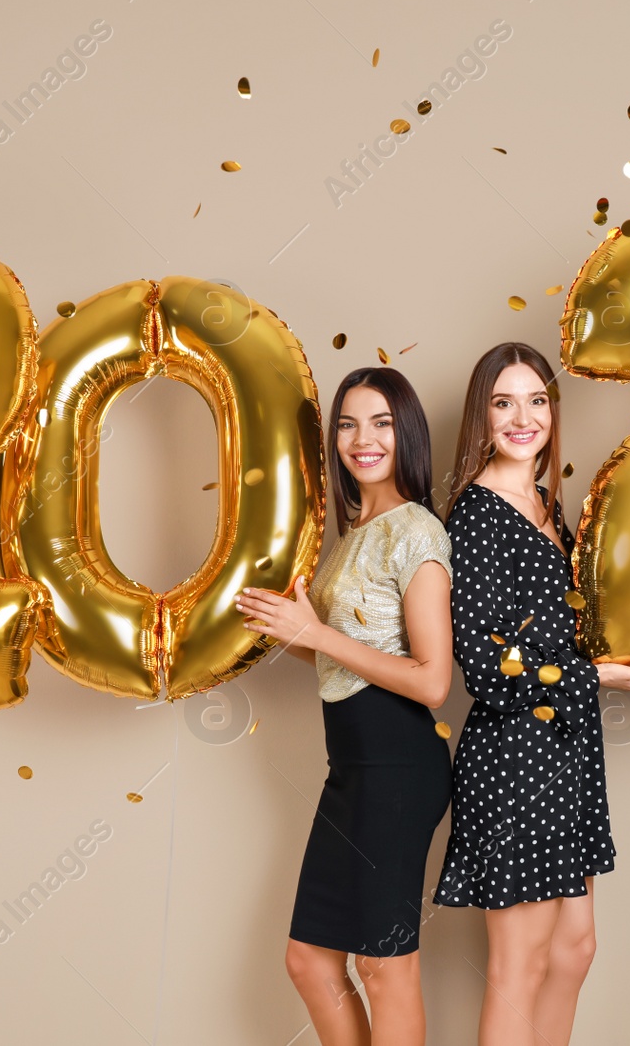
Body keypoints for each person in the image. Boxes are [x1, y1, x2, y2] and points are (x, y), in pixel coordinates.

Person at [435, 342, 630, 1045]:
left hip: (566, 750)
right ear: (482, 415)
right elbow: (484, 666)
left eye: (536, 399)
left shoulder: (544, 502)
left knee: (572, 951)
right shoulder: (475, 516)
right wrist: (597, 676)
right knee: (521, 962)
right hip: (513, 759)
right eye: (503, 402)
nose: (522, 417)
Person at [236, 367, 454, 1046]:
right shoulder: (357, 529)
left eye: (382, 422)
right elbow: (345, 655)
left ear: (406, 434)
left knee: (385, 966)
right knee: (309, 959)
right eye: (349, 423)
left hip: (399, 764)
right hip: (352, 770)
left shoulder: (416, 529)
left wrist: (318, 633)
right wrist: (294, 634)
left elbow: (432, 680)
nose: (363, 438)